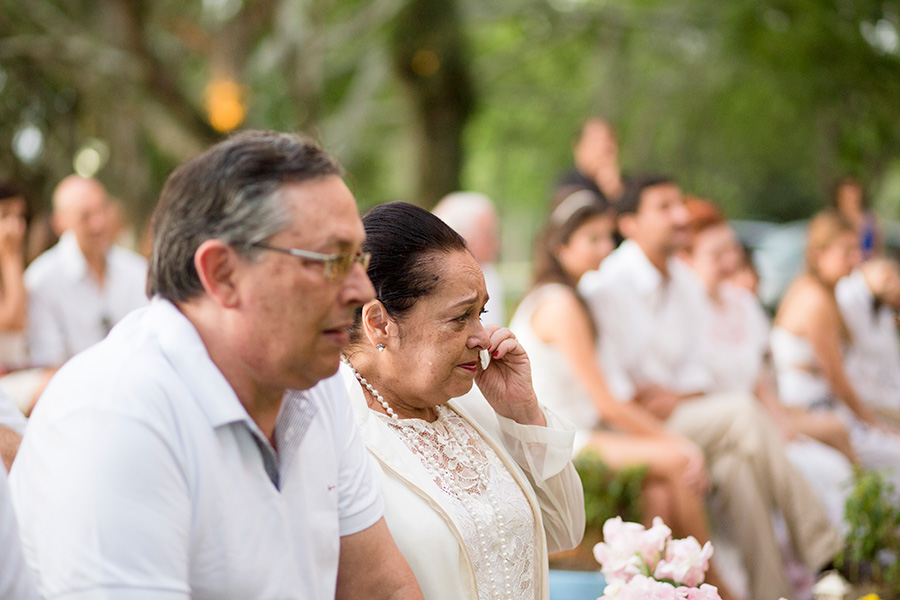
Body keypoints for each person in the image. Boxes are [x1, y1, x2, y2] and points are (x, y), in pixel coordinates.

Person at [10, 130, 422, 600]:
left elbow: (380, 587)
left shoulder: (312, 381)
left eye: (358, 259)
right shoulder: (114, 416)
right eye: (331, 260)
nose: (362, 290)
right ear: (223, 275)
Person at [578, 175, 842, 600]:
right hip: (631, 430)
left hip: (686, 414)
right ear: (629, 224)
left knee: (738, 471)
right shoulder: (607, 287)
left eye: (679, 204)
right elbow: (617, 394)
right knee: (740, 411)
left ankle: (773, 593)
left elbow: (702, 371)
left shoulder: (683, 282)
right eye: (664, 208)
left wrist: (675, 394)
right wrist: (664, 397)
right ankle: (826, 551)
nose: (680, 215)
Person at [339, 201, 584, 600]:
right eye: (460, 317)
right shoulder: (330, 429)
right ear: (379, 322)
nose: (484, 337)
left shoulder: (472, 403)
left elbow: (564, 529)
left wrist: (523, 413)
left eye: (481, 312)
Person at [509, 187, 736, 600]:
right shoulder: (558, 304)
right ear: (561, 246)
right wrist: (675, 440)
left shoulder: (577, 298)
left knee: (660, 492)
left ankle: (658, 591)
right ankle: (717, 587)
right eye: (591, 239)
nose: (604, 249)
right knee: (680, 459)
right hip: (564, 440)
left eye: (607, 238)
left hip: (586, 432)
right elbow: (605, 401)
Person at [681, 198, 853, 529]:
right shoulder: (686, 313)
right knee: (805, 472)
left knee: (830, 468)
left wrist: (782, 424)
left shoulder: (743, 303)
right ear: (687, 259)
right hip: (728, 432)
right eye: (716, 256)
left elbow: (759, 377)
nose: (730, 261)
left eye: (731, 250)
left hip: (763, 421)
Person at [772, 210, 900, 491]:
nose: (855, 259)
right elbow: (837, 379)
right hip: (809, 408)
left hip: (824, 405)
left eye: (856, 249)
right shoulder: (815, 301)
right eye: (846, 251)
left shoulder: (820, 292)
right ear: (818, 254)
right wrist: (873, 423)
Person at [25, 175, 149, 367]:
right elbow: (48, 361)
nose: (98, 224)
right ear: (60, 223)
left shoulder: (136, 269)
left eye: (103, 210)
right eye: (85, 216)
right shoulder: (42, 280)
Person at [836, 258, 900, 425]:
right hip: (868, 396)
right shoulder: (848, 297)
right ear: (887, 277)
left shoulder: (883, 308)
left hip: (884, 393)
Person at [433, 191, 506, 326]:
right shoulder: (435, 282)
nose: (497, 244)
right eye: (488, 235)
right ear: (463, 237)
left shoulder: (489, 275)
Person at [556, 118, 624, 205]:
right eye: (596, 141)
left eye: (608, 141)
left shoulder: (630, 185)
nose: (603, 148)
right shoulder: (567, 187)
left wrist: (616, 191)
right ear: (578, 146)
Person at [830, 177, 881, 259]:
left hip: (867, 263)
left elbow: (878, 247)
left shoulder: (869, 218)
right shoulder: (833, 218)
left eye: (853, 193)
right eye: (847, 194)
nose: (851, 197)